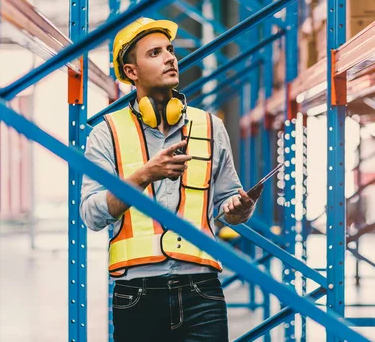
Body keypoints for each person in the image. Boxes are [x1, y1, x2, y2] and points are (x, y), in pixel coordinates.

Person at [80, 17, 261, 341]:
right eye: (155, 53)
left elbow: (228, 202)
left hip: (202, 290)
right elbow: (92, 214)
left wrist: (239, 208)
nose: (169, 58)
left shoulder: (209, 127)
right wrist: (144, 175)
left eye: (170, 50)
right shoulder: (106, 133)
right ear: (131, 71)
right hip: (136, 294)